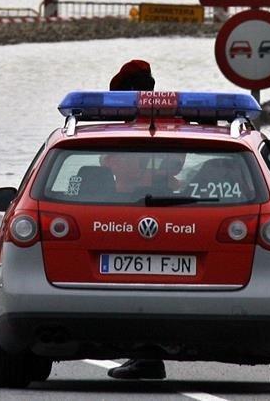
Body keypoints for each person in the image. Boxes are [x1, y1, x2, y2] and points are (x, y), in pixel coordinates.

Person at [105, 59, 168, 382]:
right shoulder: (172, 125)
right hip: (174, 217)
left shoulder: (121, 129)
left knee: (139, 287)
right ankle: (145, 354)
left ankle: (146, 356)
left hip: (125, 213)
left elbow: (112, 166)